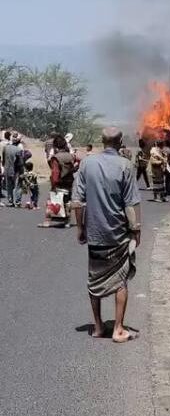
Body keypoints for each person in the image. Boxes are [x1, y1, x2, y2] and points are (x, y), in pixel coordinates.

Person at [72, 127, 141, 343]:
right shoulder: (125, 165)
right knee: (120, 280)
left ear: (102, 141)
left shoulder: (87, 163)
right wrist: (136, 229)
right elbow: (130, 204)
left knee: (95, 279)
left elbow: (77, 201)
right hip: (118, 234)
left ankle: (99, 326)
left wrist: (80, 228)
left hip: (95, 233)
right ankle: (118, 328)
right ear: (120, 141)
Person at [39, 135, 75, 228]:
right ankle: (67, 222)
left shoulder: (56, 158)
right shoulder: (71, 156)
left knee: (51, 202)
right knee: (67, 202)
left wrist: (54, 185)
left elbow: (55, 173)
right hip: (69, 182)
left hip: (59, 183)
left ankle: (47, 222)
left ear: (55, 146)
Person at [2, 134, 24, 207]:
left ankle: (10, 201)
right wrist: (22, 172)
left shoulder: (5, 148)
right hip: (16, 170)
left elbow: (3, 159)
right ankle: (17, 202)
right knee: (18, 186)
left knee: (9, 186)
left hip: (7, 169)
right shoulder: (18, 150)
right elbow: (20, 162)